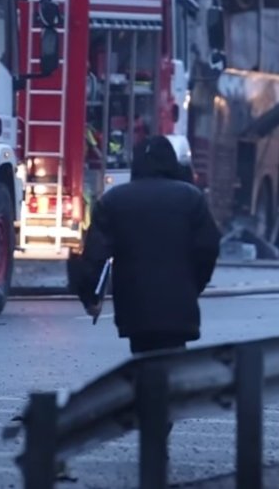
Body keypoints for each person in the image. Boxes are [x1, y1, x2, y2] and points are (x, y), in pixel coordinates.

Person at [74, 135, 221, 357]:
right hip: (179, 309)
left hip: (135, 309)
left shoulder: (113, 201)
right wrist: (193, 286)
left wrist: (90, 298)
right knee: (173, 368)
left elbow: (94, 256)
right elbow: (208, 249)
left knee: (142, 366)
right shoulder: (192, 199)